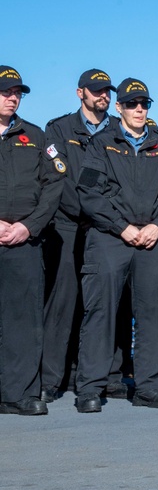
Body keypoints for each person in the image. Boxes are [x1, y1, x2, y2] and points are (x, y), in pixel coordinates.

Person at [75, 78, 158, 413]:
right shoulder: (101, 145)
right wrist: (121, 227)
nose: (139, 109)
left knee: (153, 314)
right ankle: (90, 389)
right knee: (100, 314)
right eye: (133, 104)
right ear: (119, 107)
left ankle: (149, 387)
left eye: (145, 104)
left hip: (152, 241)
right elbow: (89, 193)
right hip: (110, 239)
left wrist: (157, 225)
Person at [41, 69, 124, 402]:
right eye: (96, 91)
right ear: (81, 93)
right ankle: (52, 378)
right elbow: (58, 179)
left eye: (107, 91)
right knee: (63, 303)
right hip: (68, 224)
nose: (103, 96)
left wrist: (107, 217)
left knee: (112, 304)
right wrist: (86, 210)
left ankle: (111, 375)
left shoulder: (121, 130)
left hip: (107, 229)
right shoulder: (59, 129)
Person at [0, 67, 64, 416]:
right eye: (5, 91)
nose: (12, 98)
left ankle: (18, 394)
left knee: (24, 321)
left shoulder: (36, 137)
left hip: (24, 241)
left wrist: (29, 225)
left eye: (17, 92)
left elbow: (55, 185)